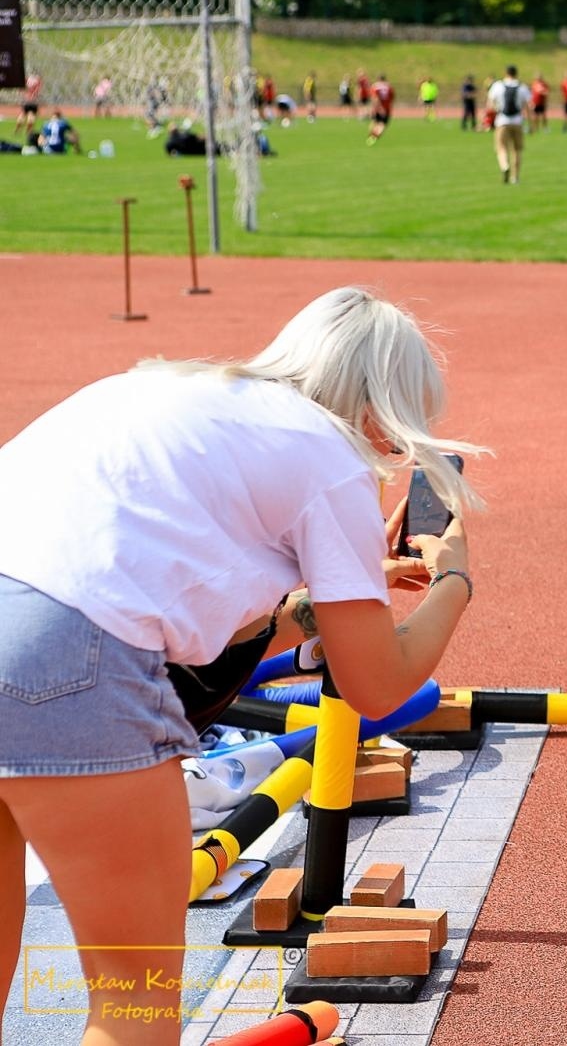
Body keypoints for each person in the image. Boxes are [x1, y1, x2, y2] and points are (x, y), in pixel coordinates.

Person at [0, 287, 483, 1046]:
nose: (388, 457)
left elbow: (182, 590)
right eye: (395, 441)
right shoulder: (327, 454)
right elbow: (380, 685)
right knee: (134, 995)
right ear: (376, 412)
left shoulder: (163, 386)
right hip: (72, 660)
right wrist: (455, 581)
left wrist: (345, 589)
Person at [487, 65, 532, 185]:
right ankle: (515, 177)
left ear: (506, 73)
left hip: (502, 121)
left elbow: (490, 105)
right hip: (517, 121)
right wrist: (531, 124)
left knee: (501, 148)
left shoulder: (498, 86)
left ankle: (505, 166)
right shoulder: (522, 87)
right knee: (517, 150)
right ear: (516, 74)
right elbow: (527, 106)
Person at [366, 73, 394, 145]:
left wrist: (375, 108)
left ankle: (371, 135)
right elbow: (392, 98)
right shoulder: (389, 86)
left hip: (377, 108)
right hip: (386, 108)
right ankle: (374, 137)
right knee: (383, 124)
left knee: (374, 122)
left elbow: (374, 98)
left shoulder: (375, 86)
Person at [13, 71, 41, 136]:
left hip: (26, 100)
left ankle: (17, 129)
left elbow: (21, 88)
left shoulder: (26, 79)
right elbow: (38, 90)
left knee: (22, 115)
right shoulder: (37, 80)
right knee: (31, 115)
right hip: (33, 100)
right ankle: (28, 131)